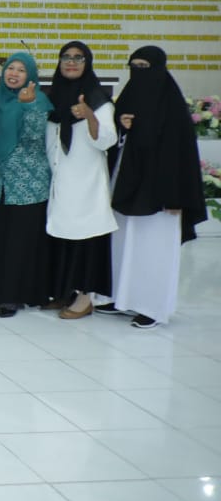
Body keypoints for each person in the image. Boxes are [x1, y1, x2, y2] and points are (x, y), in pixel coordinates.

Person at [102, 46, 206, 328]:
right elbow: (113, 141)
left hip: (161, 194)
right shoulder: (128, 98)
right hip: (127, 187)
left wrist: (177, 197)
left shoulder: (171, 106)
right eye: (134, 66)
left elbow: (181, 155)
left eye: (144, 66)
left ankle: (152, 307)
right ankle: (121, 299)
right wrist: (121, 126)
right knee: (123, 245)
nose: (138, 72)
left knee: (153, 250)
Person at [45, 41, 117, 319]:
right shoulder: (53, 97)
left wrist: (89, 116)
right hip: (59, 179)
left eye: (78, 58)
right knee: (61, 238)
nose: (71, 62)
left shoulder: (97, 99)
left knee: (85, 239)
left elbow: (107, 140)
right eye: (66, 57)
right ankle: (63, 292)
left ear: (88, 63)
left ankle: (85, 298)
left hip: (85, 182)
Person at [0, 52, 52, 317]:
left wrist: (29, 105)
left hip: (28, 182)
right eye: (10, 69)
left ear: (30, 75)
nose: (14, 74)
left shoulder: (38, 100)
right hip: (3, 181)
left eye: (21, 70)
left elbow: (35, 137)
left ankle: (13, 296)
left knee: (19, 242)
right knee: (1, 237)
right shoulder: (1, 100)